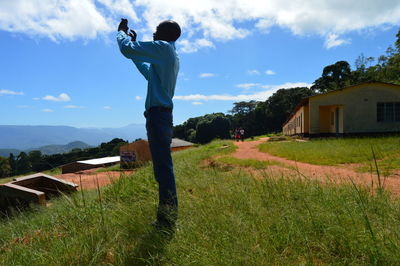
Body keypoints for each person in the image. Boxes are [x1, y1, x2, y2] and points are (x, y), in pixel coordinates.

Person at [117, 19, 181, 230]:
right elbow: (148, 73)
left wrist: (122, 34)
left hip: (158, 116)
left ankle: (167, 220)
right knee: (163, 168)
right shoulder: (169, 54)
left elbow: (126, 49)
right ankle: (167, 215)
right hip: (161, 116)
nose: (153, 33)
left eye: (157, 30)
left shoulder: (162, 49)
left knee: (163, 169)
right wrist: (136, 53)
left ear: (167, 34)